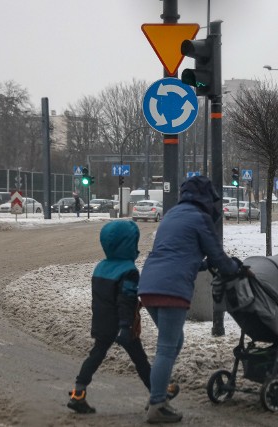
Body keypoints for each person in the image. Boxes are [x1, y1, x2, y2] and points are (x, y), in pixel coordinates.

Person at [138, 176, 241, 424]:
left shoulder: (172, 215)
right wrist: (233, 268)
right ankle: (157, 404)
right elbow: (217, 256)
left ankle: (157, 393)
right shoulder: (200, 218)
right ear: (207, 197)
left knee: (175, 341)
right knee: (165, 347)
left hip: (150, 283)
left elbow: (179, 252)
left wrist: (202, 264)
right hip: (172, 288)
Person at [67, 220, 179, 414]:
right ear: (129, 244)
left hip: (102, 322)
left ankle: (78, 392)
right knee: (140, 360)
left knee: (96, 355)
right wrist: (126, 326)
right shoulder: (128, 270)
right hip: (122, 324)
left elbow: (101, 298)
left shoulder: (101, 267)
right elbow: (125, 301)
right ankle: (157, 393)